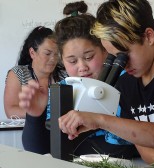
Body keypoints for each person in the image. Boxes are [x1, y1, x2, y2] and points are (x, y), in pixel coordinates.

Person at [58, 0, 154, 168]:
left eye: (124, 55)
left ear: (148, 36)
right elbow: (145, 151)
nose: (122, 65)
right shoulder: (126, 84)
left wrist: (98, 119)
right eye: (114, 57)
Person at [19, 1, 139, 158]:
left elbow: (138, 140)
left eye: (89, 57)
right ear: (62, 61)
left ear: (105, 50)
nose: (82, 67)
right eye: (72, 61)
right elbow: (39, 150)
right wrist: (35, 116)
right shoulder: (62, 91)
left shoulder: (128, 81)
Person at [4, 26, 66, 119]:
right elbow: (11, 111)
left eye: (56, 54)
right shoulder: (18, 73)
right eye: (47, 53)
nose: (53, 59)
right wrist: (41, 112)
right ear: (32, 53)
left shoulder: (64, 75)